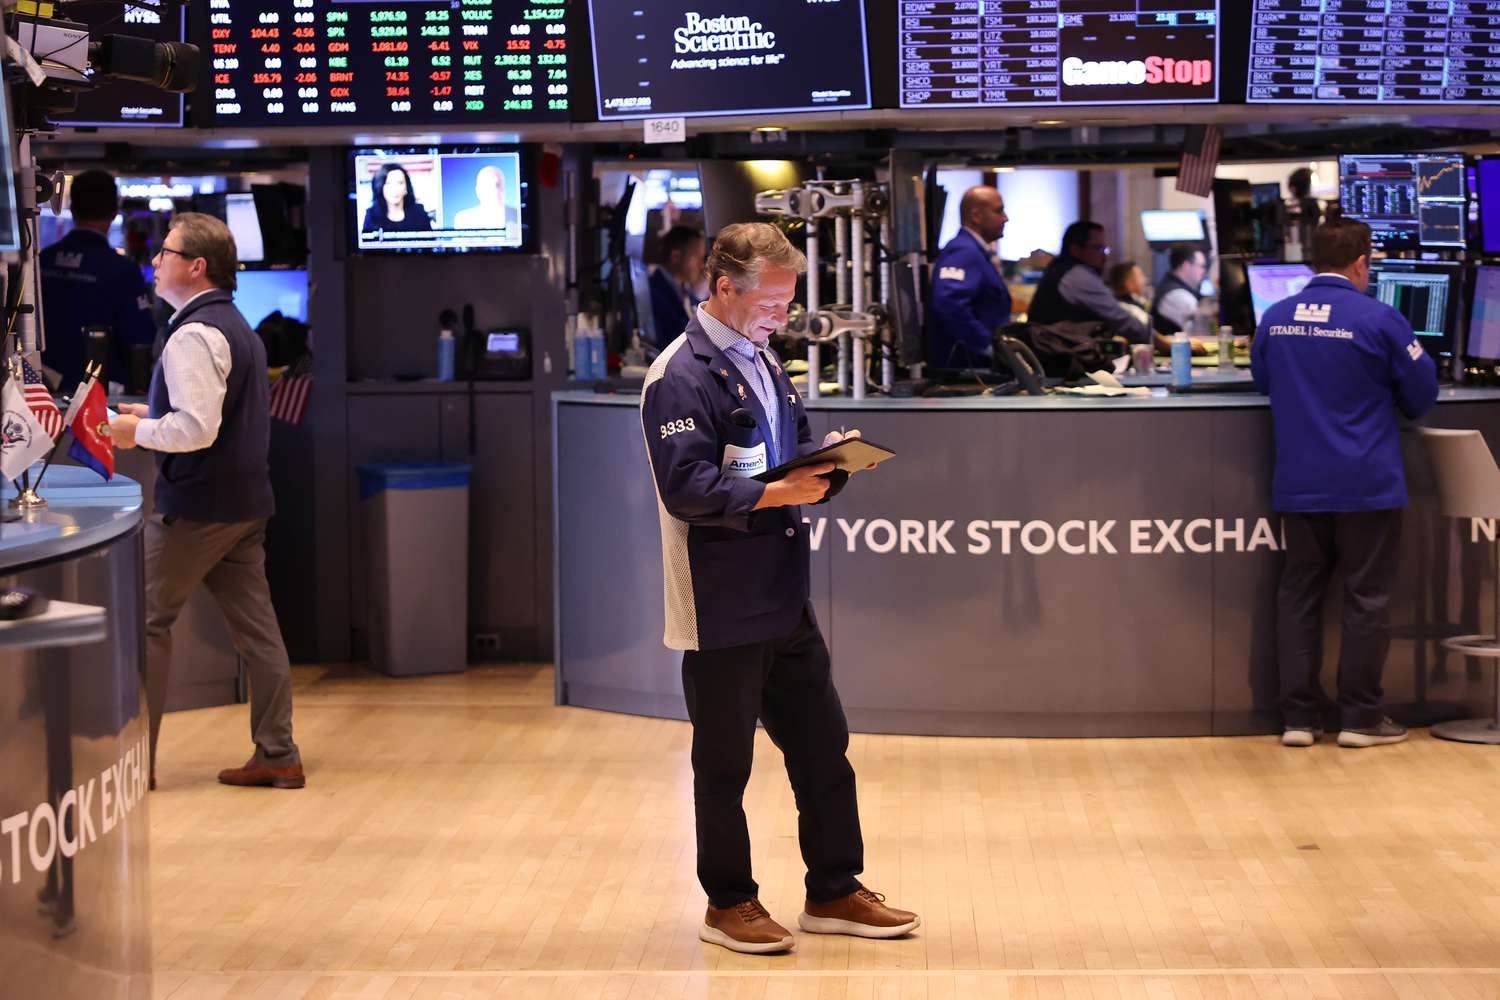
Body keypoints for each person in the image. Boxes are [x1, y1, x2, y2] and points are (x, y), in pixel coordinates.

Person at [639, 222, 918, 955]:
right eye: (771, 302)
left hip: (783, 595)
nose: (782, 317)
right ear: (722, 287)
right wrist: (781, 490)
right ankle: (728, 902)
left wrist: (826, 467)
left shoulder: (764, 358)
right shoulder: (679, 373)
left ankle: (833, 889)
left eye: (790, 303)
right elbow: (689, 489)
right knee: (724, 763)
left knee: (824, 748)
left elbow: (779, 460)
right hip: (721, 598)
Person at [109, 213, 304, 790]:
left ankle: (132, 767)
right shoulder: (236, 326)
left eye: (164, 253)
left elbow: (196, 430)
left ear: (195, 266)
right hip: (245, 505)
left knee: (145, 622)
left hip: (197, 508)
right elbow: (213, 413)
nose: (155, 262)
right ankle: (278, 753)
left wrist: (133, 434)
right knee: (259, 634)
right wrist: (150, 415)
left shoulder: (191, 334)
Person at [1250, 218, 1438, 750]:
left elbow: (1263, 382)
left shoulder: (1276, 318)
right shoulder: (1381, 318)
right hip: (1366, 484)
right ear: (1361, 263)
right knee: (1366, 600)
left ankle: (1298, 721)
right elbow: (1421, 396)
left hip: (1300, 484)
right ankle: (1359, 719)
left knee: (1299, 597)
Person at [40, 170, 157, 393]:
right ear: (115, 210)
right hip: (100, 400)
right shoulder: (123, 271)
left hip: (43, 395)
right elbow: (141, 341)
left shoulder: (41, 261)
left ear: (72, 208)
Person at [1027, 221, 1152, 344]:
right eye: (1098, 248)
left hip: (1054, 350)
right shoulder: (1076, 275)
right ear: (1076, 249)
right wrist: (1148, 335)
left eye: (1105, 249)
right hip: (1057, 356)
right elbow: (1117, 317)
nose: (1104, 256)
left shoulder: (1062, 269)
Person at [929, 185, 1012, 367]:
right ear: (976, 216)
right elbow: (948, 304)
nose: (1005, 218)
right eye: (999, 211)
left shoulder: (977, 252)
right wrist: (986, 346)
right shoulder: (963, 252)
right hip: (966, 366)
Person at [648, 225, 706, 345]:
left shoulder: (685, 290)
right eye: (697, 257)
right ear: (675, 257)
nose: (702, 265)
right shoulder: (653, 294)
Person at [1151, 245, 1209, 336]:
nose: (1204, 271)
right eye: (1201, 266)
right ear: (1186, 265)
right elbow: (1203, 330)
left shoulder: (1175, 288)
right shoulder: (1177, 295)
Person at [361, 164, 432, 234]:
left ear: (406, 188)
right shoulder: (372, 214)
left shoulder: (419, 212)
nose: (395, 189)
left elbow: (430, 242)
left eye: (400, 183)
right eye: (388, 183)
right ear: (381, 187)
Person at [451, 165, 520, 232]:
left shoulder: (518, 216)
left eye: (498, 184)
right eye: (489, 185)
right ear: (478, 191)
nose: (495, 190)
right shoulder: (464, 219)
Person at [1108, 260, 1152, 329]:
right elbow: (1151, 333)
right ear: (1128, 284)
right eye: (1141, 276)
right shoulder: (1129, 309)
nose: (1146, 280)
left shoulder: (1138, 301)